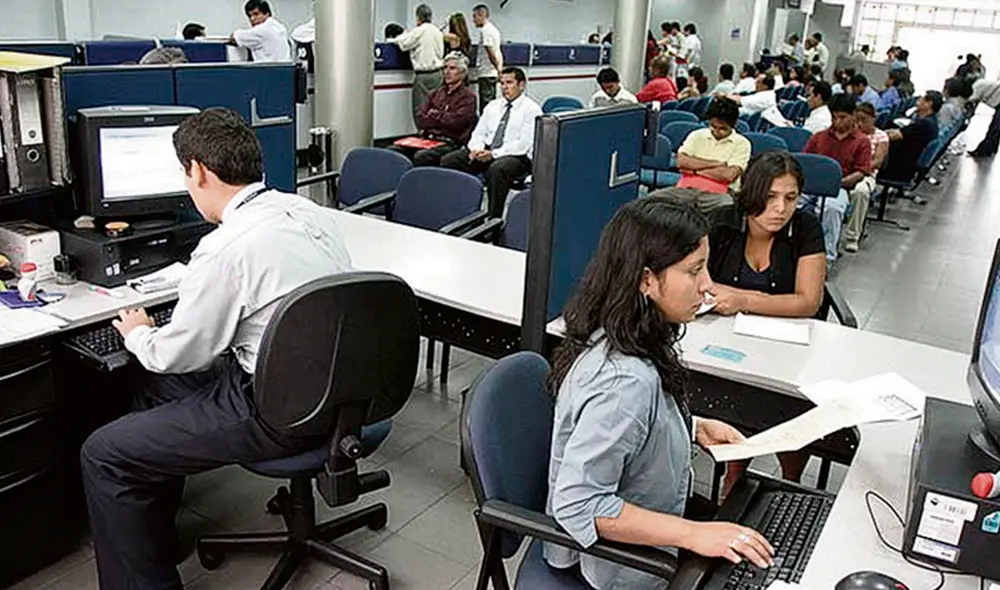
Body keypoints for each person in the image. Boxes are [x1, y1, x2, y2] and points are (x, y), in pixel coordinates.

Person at [79, 108, 354, 590]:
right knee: (154, 388)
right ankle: (151, 539)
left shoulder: (226, 247)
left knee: (104, 452)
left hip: (276, 410)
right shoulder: (308, 212)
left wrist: (139, 332)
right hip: (336, 387)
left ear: (198, 171)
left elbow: (181, 354)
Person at [546, 196, 775, 590]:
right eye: (695, 271)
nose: (708, 287)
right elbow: (579, 502)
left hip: (654, 530)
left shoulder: (631, 330)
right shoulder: (623, 382)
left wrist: (691, 426)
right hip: (621, 566)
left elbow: (633, 426)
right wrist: (692, 534)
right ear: (646, 280)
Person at [707, 153, 826, 493]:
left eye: (791, 198)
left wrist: (742, 299)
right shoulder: (723, 223)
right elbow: (701, 282)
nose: (780, 209)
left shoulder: (805, 228)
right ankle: (735, 472)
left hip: (787, 344)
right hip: (725, 340)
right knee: (730, 396)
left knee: (791, 404)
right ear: (752, 194)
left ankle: (789, 482)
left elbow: (807, 301)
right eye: (771, 197)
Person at [441, 67, 541, 219]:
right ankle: (459, 211)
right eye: (502, 83)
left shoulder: (532, 110)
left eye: (509, 83)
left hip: (517, 156)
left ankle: (494, 219)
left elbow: (523, 145)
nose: (504, 87)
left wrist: (493, 154)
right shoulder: (493, 106)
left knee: (497, 169)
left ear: (521, 85)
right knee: (450, 160)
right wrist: (476, 149)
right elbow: (479, 133)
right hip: (487, 150)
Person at [802, 94, 871, 259]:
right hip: (811, 185)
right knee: (785, 202)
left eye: (842, 117)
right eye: (834, 117)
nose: (837, 122)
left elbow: (861, 172)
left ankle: (826, 257)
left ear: (853, 115)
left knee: (832, 209)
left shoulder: (862, 142)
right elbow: (804, 161)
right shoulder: (819, 137)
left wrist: (836, 183)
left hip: (839, 188)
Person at [393, 52, 477, 166]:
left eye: (452, 68)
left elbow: (457, 123)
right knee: (395, 150)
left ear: (462, 73)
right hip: (428, 139)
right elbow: (421, 118)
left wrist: (434, 115)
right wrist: (442, 117)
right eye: (445, 68)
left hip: (449, 142)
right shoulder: (436, 93)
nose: (447, 72)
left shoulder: (468, 97)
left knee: (422, 156)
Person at [676, 97, 751, 194]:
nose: (717, 131)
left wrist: (694, 171)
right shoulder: (697, 135)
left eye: (723, 129)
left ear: (735, 124)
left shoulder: (742, 144)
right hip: (688, 186)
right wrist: (716, 164)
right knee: (656, 200)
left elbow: (728, 175)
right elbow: (681, 162)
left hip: (721, 193)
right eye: (713, 126)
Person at [394, 4, 445, 123]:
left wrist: (393, 40)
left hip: (424, 75)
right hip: (438, 73)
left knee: (421, 108)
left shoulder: (419, 31)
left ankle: (423, 134)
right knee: (436, 106)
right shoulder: (437, 31)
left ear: (418, 17)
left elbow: (404, 44)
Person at [880, 91, 942, 181]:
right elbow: (902, 132)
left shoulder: (924, 123)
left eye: (922, 99)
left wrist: (879, 133)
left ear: (929, 104)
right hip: (907, 166)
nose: (919, 100)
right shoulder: (931, 121)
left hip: (899, 168)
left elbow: (895, 136)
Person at [472, 4, 503, 113]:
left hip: (486, 73)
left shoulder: (486, 31)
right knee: (491, 103)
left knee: (486, 106)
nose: (473, 20)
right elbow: (499, 52)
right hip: (492, 73)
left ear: (482, 15)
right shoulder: (495, 30)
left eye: (475, 16)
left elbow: (491, 53)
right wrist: (499, 68)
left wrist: (497, 68)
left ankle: (486, 129)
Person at [969, 76, 1000, 158]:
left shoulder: (976, 86)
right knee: (995, 128)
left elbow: (971, 98)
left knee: (995, 129)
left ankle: (983, 151)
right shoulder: (981, 82)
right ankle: (991, 149)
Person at [856, 102, 890, 175]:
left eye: (863, 119)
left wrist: (861, 170)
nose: (859, 123)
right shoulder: (853, 133)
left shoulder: (881, 136)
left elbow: (878, 161)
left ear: (873, 118)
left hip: (868, 172)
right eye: (857, 120)